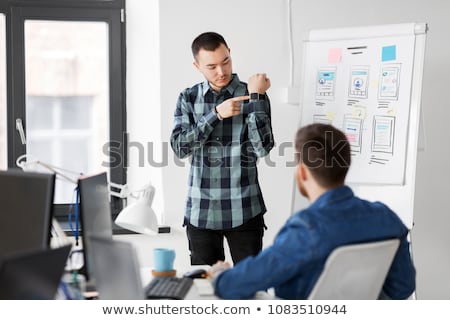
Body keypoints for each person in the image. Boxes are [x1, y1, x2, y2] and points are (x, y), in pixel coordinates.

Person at [207, 123, 416, 299]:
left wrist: (220, 275)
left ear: (303, 172)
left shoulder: (306, 228)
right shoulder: (386, 218)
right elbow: (403, 287)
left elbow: (235, 285)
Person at [170, 32, 274, 266]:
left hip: (245, 209)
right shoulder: (188, 97)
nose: (221, 71)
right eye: (212, 66)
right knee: (205, 290)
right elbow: (180, 147)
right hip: (201, 212)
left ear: (230, 54)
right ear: (197, 66)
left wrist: (257, 97)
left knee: (251, 288)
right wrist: (215, 115)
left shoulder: (252, 93)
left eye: (225, 61)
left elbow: (263, 148)